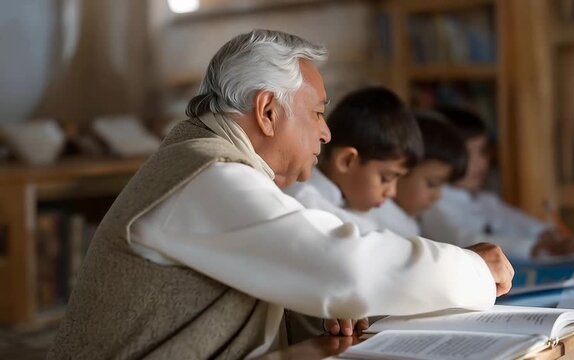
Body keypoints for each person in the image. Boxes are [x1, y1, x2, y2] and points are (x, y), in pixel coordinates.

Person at [48, 30, 514, 360]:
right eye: (316, 113)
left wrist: (318, 313)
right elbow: (344, 267)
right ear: (268, 111)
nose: (326, 133)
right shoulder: (206, 176)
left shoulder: (210, 163)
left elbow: (307, 282)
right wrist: (471, 267)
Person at [283, 86, 423, 343]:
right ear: (347, 161)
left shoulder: (361, 202)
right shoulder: (305, 204)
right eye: (386, 178)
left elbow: (409, 237)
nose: (391, 192)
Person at [420, 106, 574, 259]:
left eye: (483, 151)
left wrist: (546, 233)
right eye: (467, 155)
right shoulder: (435, 205)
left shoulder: (485, 200)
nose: (480, 163)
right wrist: (534, 246)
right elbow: (465, 241)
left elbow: (514, 221)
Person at [366, 111, 468, 239]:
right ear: (401, 170)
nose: (438, 196)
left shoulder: (406, 220)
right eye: (432, 184)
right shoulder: (379, 223)